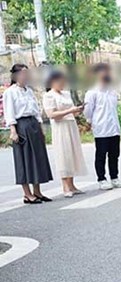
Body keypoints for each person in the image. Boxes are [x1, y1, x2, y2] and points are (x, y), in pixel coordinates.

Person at [3, 63, 53, 204]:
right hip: (21, 126)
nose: (26, 76)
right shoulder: (10, 92)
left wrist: (41, 128)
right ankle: (27, 194)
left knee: (37, 158)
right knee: (24, 160)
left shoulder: (29, 90)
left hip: (33, 125)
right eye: (24, 73)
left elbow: (36, 110)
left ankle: (37, 191)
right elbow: (9, 112)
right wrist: (13, 130)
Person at [43, 70, 87, 198]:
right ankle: (65, 186)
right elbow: (51, 115)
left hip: (70, 124)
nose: (62, 84)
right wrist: (69, 110)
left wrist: (77, 110)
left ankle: (72, 184)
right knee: (63, 154)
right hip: (60, 127)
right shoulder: (49, 96)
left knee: (72, 154)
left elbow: (72, 112)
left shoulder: (66, 94)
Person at [84, 63, 121, 191]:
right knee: (101, 155)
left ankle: (114, 177)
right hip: (101, 128)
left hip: (114, 128)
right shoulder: (92, 92)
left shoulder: (112, 92)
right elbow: (88, 110)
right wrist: (90, 122)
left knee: (114, 154)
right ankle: (101, 179)